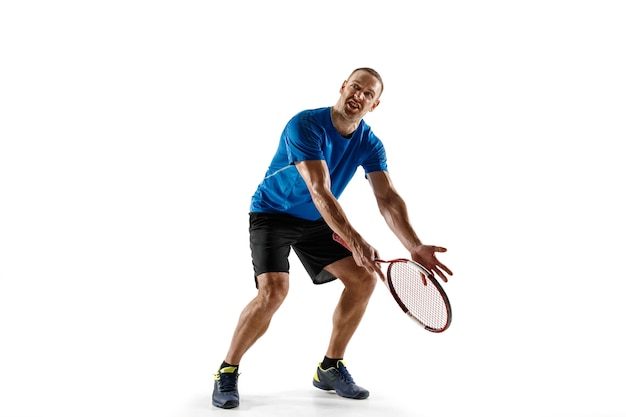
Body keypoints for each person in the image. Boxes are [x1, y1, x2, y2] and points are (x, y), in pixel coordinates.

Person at [212, 68, 453, 409]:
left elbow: (387, 198)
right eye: (356, 87)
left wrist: (413, 245)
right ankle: (227, 370)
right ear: (342, 87)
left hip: (316, 221)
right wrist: (354, 240)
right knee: (274, 292)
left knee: (363, 278)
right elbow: (319, 189)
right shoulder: (305, 125)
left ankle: (329, 366)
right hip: (273, 213)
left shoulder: (369, 143)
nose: (359, 96)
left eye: (368, 94)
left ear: (375, 104)